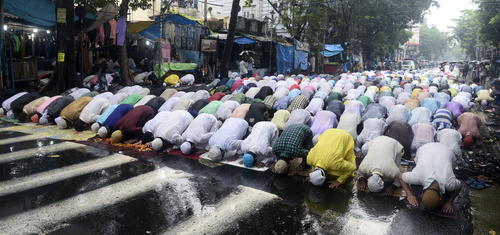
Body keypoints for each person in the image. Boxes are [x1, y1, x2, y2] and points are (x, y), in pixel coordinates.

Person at [399, 143, 462, 213]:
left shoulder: (450, 183)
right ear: (440, 198)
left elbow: (460, 186)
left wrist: (450, 202)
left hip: (447, 152)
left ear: (422, 194)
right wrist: (409, 195)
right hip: (428, 149)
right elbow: (401, 177)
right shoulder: (417, 176)